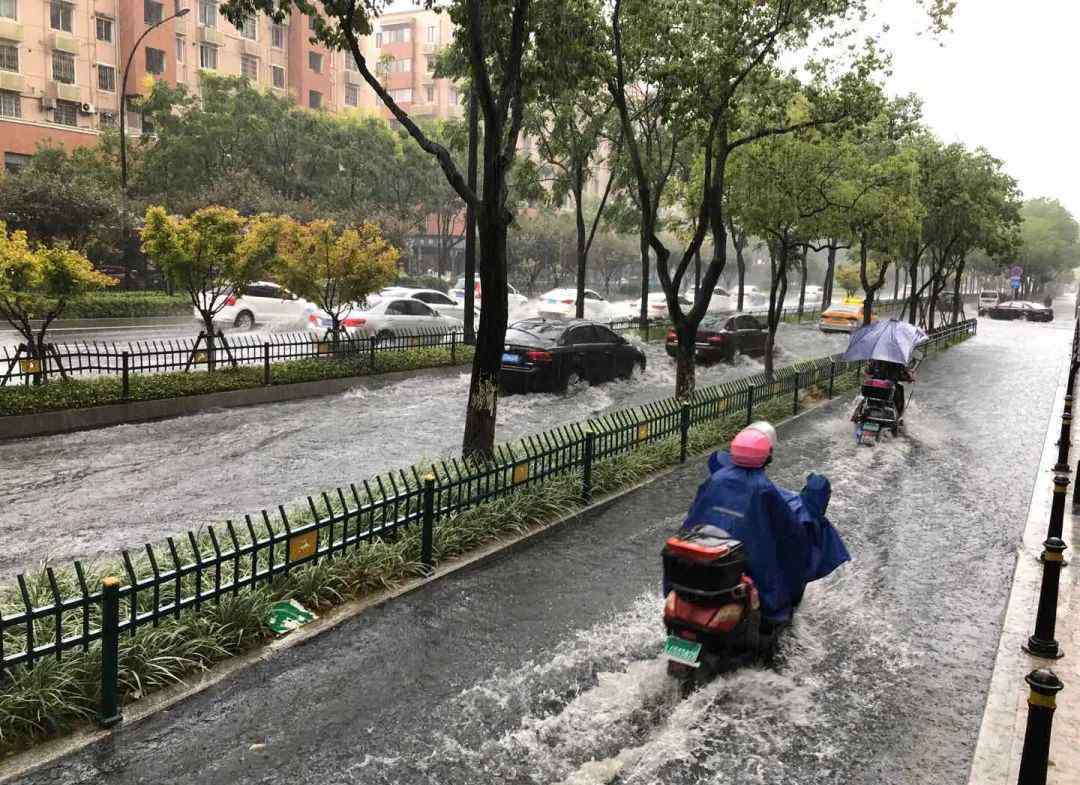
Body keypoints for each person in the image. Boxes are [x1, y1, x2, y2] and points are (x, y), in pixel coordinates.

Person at [679, 422, 850, 624]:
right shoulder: (764, 489)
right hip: (747, 564)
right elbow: (789, 530)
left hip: (705, 557)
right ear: (766, 457)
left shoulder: (716, 480)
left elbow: (694, 514)